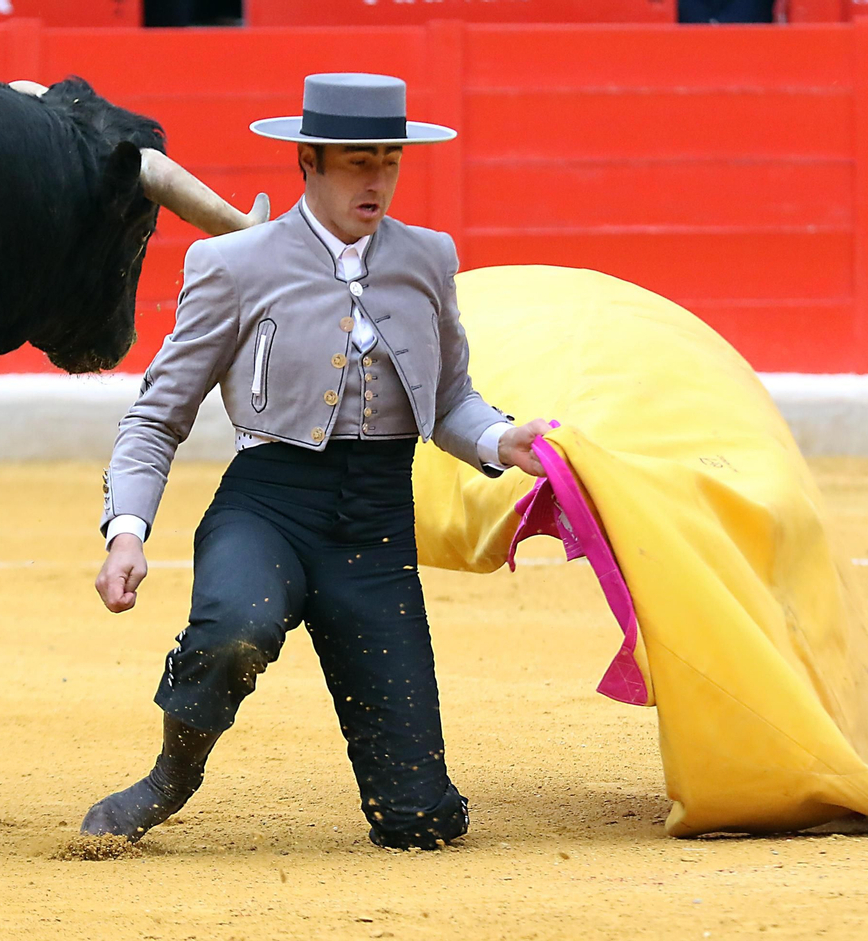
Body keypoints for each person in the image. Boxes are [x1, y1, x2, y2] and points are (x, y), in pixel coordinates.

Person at [84, 73, 550, 850]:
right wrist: (126, 530)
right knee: (235, 627)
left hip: (375, 530)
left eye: (389, 162)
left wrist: (504, 441)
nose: (377, 181)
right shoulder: (233, 265)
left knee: (420, 823)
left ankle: (418, 795)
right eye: (357, 162)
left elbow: (451, 399)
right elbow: (158, 415)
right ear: (308, 161)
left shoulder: (428, 258)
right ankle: (171, 774)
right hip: (269, 507)